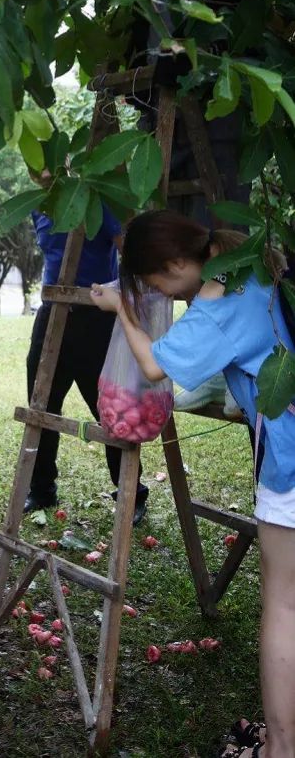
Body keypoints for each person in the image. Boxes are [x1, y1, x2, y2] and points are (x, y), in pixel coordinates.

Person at [90, 210, 295, 758]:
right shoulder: (247, 261)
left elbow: (155, 367)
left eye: (157, 283)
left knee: (284, 607)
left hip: (291, 458)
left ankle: (281, 747)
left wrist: (122, 310)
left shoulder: (214, 306)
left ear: (178, 263)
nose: (160, 294)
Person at [25, 203, 150, 526]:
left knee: (112, 409)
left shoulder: (95, 200)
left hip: (95, 317)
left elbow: (130, 253)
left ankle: (130, 493)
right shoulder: (38, 206)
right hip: (53, 313)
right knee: (42, 405)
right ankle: (41, 489)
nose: (38, 169)